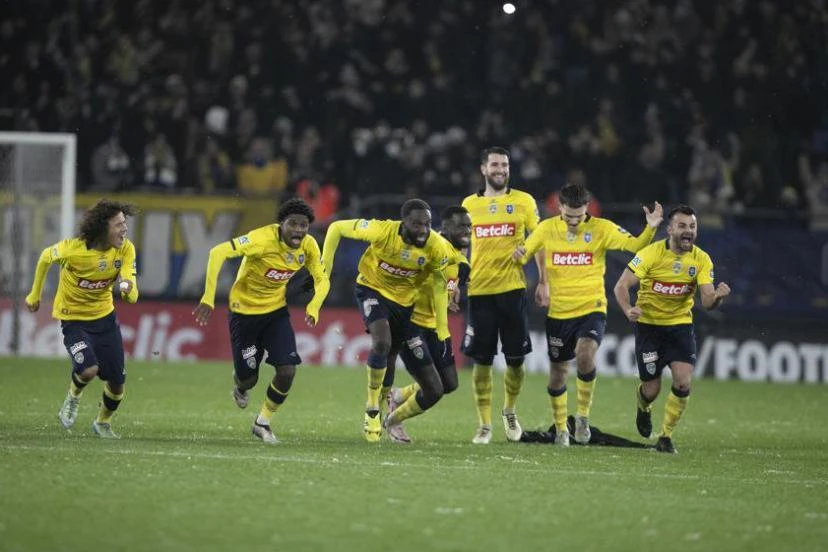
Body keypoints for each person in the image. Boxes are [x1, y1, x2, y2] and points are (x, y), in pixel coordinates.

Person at [513, 182, 663, 446]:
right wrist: (518, 254)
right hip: (559, 313)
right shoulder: (547, 229)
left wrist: (650, 227)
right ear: (559, 208)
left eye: (579, 216)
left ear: (587, 209)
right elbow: (525, 253)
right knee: (558, 372)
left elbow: (636, 246)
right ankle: (561, 429)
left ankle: (582, 418)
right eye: (568, 216)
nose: (573, 221)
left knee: (585, 355)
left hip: (591, 308)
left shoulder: (601, 229)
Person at [322, 198, 464, 442]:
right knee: (382, 342)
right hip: (371, 290)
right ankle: (372, 408)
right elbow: (336, 228)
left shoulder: (438, 248)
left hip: (404, 304)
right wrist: (325, 270)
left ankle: (389, 405)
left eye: (427, 224)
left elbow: (441, 284)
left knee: (438, 383)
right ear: (403, 223)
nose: (423, 230)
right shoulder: (382, 230)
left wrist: (442, 327)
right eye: (417, 224)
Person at [193, 198, 329, 444]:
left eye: (304, 225)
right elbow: (218, 252)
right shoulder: (260, 239)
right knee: (249, 378)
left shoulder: (308, 246)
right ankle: (241, 384)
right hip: (243, 314)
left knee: (287, 371)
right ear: (281, 224)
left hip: (275, 313)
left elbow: (322, 278)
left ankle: (262, 422)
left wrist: (315, 305)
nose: (299, 230)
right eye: (293, 224)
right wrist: (208, 297)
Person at [613, 204, 730, 454]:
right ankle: (643, 406)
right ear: (670, 229)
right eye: (682, 226)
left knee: (683, 382)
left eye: (692, 226)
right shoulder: (650, 254)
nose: (688, 231)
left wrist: (718, 296)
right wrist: (627, 309)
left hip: (680, 326)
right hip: (649, 328)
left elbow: (707, 301)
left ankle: (665, 436)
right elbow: (621, 286)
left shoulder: (701, 259)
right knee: (651, 390)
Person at [25, 199, 139, 439]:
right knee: (88, 370)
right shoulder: (72, 250)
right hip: (74, 320)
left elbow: (131, 291)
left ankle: (102, 423)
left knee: (117, 383)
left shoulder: (125, 249)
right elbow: (46, 257)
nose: (124, 229)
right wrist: (35, 294)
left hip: (105, 320)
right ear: (102, 227)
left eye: (125, 223)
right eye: (118, 224)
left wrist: (127, 287)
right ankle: (73, 397)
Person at [461, 146, 542, 444]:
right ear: (483, 169)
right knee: (481, 361)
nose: (501, 170)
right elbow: (459, 246)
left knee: (516, 360)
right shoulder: (468, 204)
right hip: (480, 291)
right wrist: (454, 282)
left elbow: (539, 239)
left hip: (513, 290)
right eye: (495, 165)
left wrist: (542, 279)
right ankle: (483, 424)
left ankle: (509, 411)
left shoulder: (523, 201)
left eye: (505, 165)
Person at [383, 206, 472, 442]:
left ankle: (398, 395)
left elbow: (452, 280)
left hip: (434, 325)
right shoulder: (429, 249)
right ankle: (392, 421)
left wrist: (456, 289)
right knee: (434, 390)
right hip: (410, 323)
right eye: (461, 226)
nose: (468, 231)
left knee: (450, 383)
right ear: (444, 228)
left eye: (469, 226)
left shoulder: (459, 259)